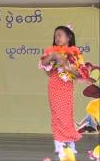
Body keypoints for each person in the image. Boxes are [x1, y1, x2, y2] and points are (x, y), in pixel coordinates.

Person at [39, 25, 89, 158]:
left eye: (60, 35)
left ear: (69, 37)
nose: (57, 38)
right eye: (55, 36)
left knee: (67, 113)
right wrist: (54, 55)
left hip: (67, 86)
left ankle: (70, 141)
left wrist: (67, 66)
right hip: (55, 85)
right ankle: (59, 143)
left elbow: (81, 74)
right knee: (57, 113)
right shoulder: (51, 51)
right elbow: (43, 63)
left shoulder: (75, 53)